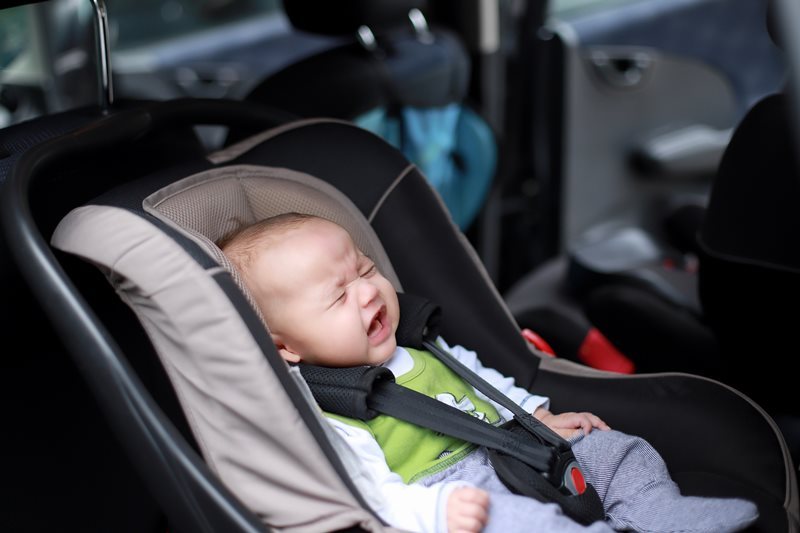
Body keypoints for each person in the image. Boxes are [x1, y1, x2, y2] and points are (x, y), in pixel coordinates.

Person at [219, 212, 759, 533]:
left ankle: (661, 514)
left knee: (614, 450)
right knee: (527, 527)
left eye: (365, 270)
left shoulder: (415, 344)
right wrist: (436, 513)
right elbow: (367, 490)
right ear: (285, 347)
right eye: (339, 296)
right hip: (448, 490)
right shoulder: (331, 410)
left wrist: (535, 415)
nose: (367, 292)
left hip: (507, 447)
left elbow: (479, 381)